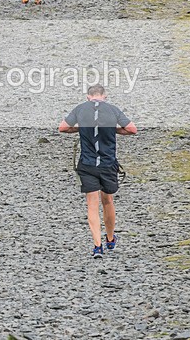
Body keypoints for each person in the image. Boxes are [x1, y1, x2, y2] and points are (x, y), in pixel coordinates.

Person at [58, 84, 137, 259]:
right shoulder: (113, 110)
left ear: (88, 97)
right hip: (108, 163)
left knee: (92, 205)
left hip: (87, 164)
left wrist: (81, 129)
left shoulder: (80, 109)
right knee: (107, 200)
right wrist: (114, 130)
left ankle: (97, 246)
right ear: (104, 96)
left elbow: (62, 128)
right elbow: (132, 129)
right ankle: (110, 239)